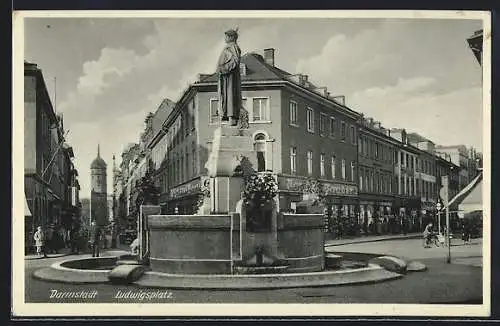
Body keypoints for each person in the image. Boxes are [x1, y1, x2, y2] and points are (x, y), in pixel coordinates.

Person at [216, 28, 242, 126]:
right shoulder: (229, 47)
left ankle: (231, 117)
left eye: (226, 36)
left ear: (231, 37)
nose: (225, 38)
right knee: (226, 96)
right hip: (225, 77)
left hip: (230, 77)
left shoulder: (233, 47)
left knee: (229, 96)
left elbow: (235, 61)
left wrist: (224, 68)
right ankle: (227, 116)